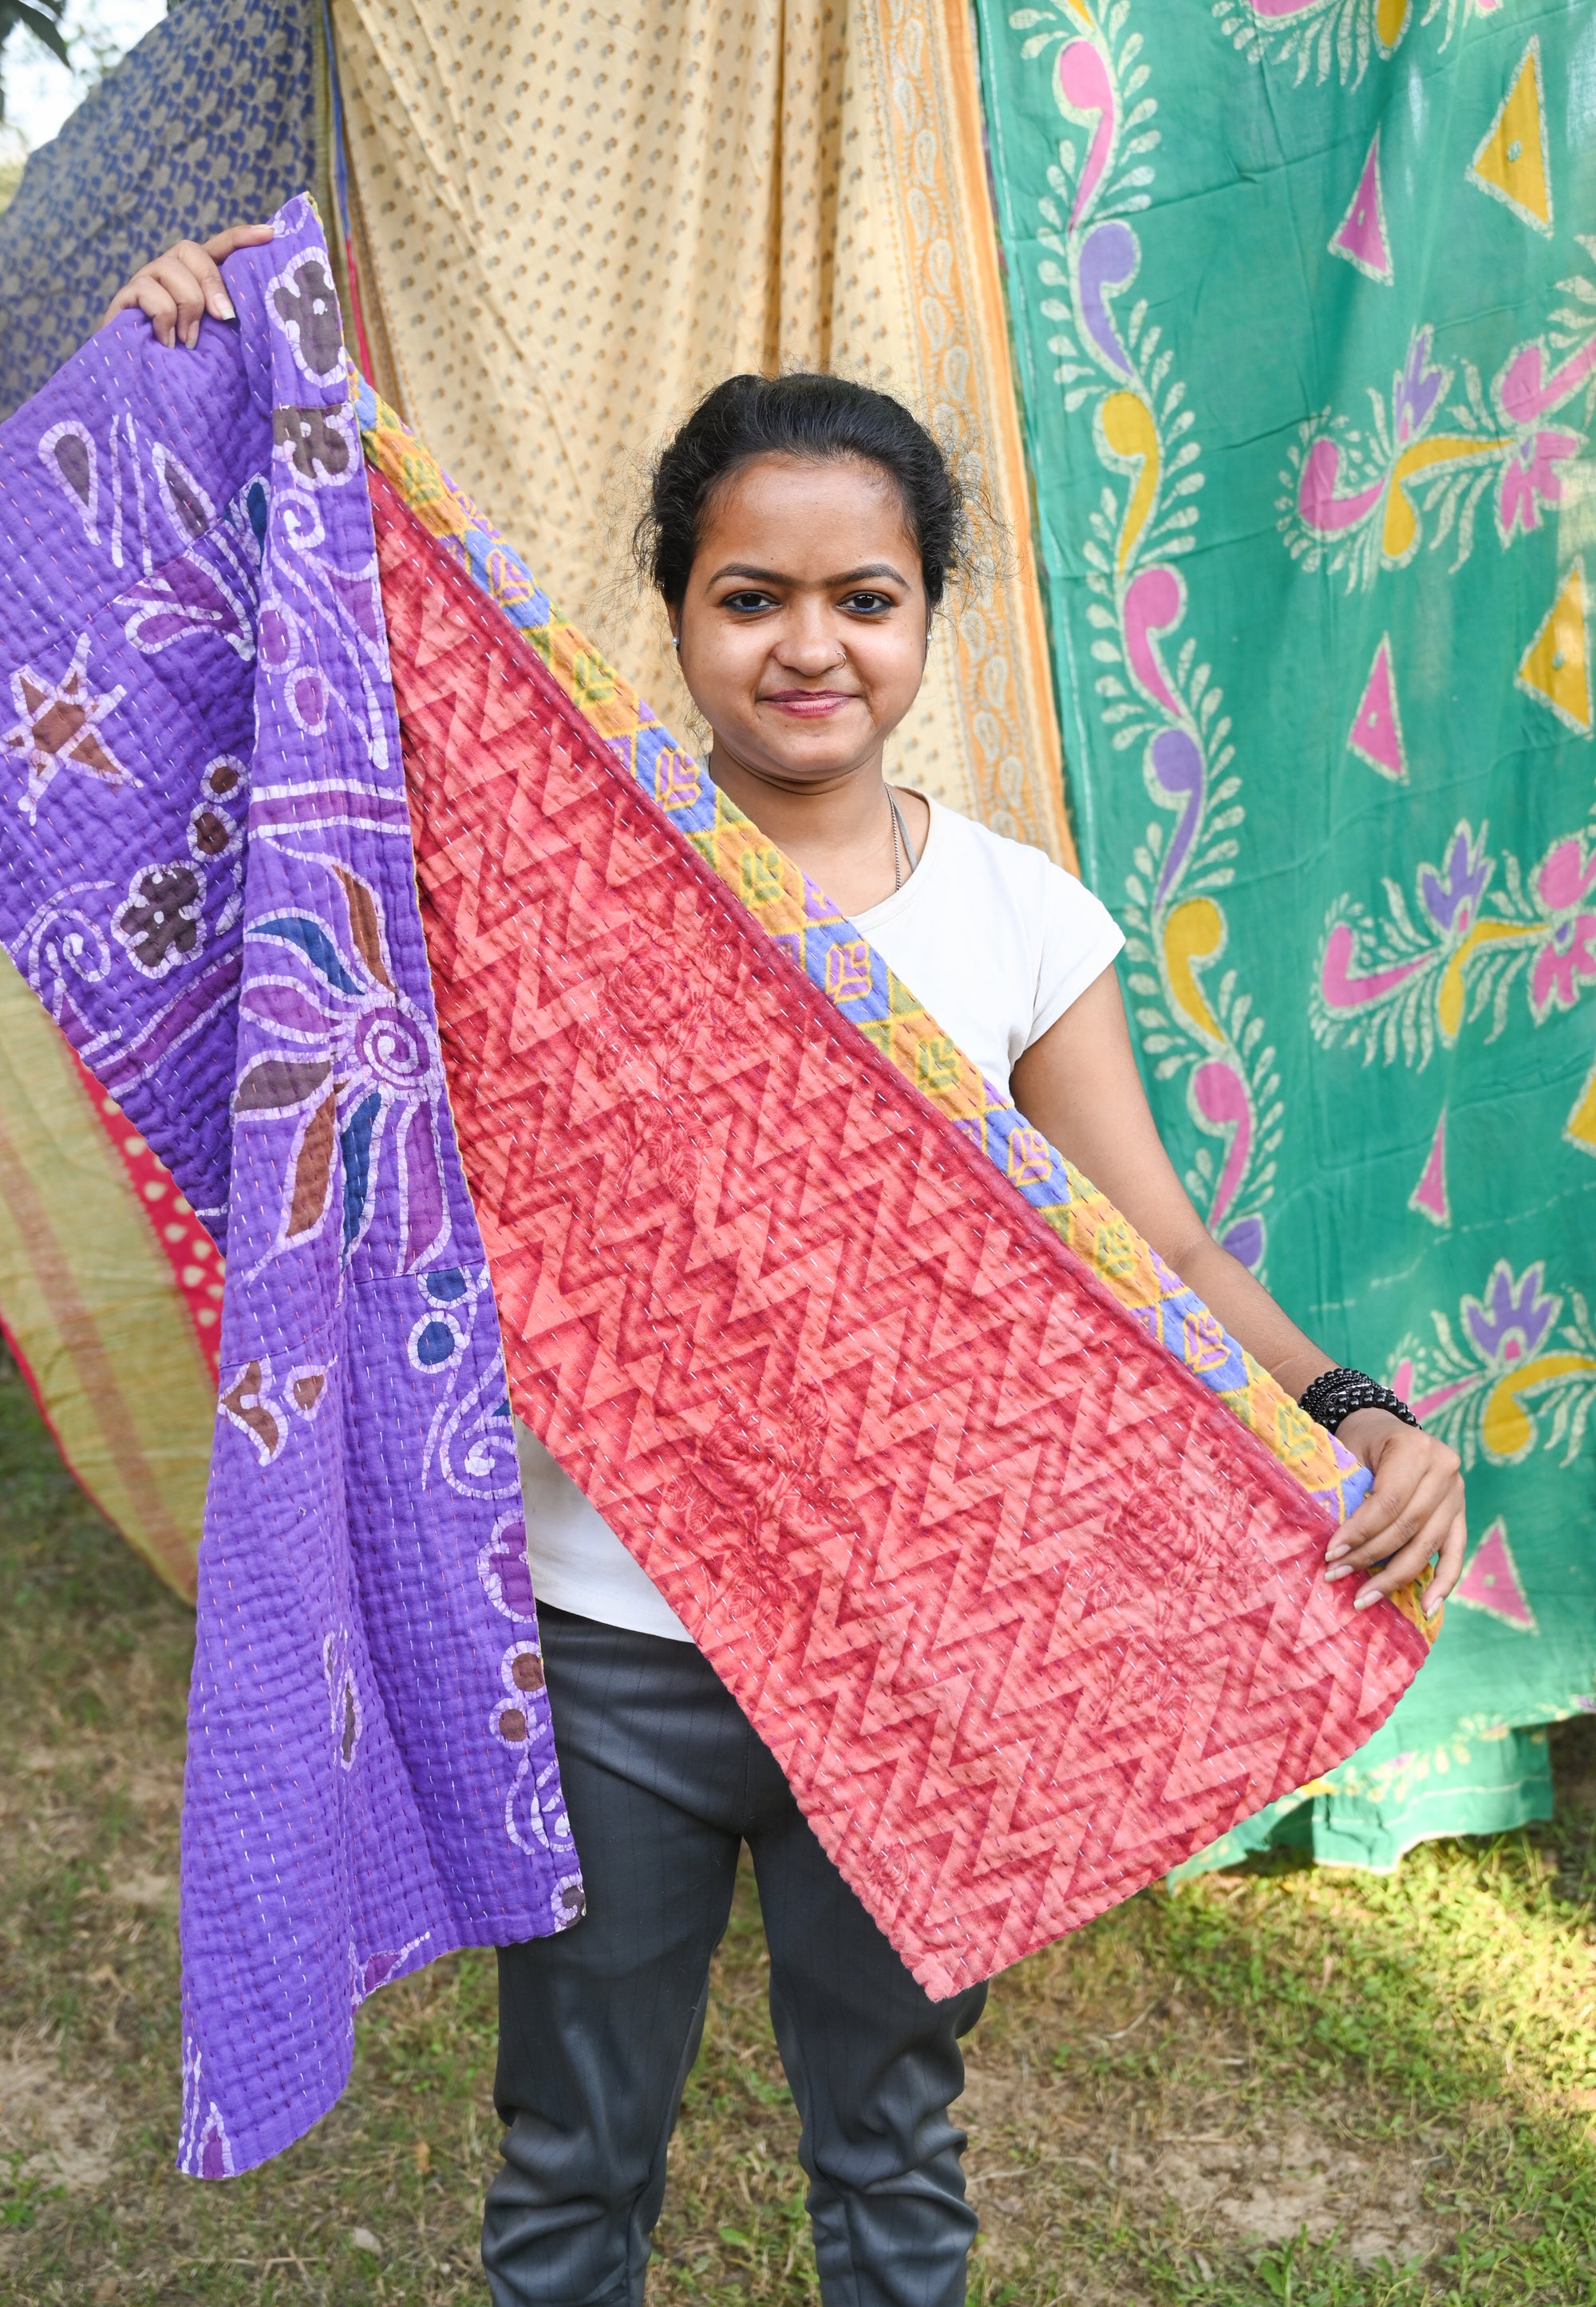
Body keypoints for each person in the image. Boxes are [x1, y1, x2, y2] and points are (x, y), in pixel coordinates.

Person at [109, 234, 1468, 2307]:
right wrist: (207, 363)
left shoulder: (1017, 917)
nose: (809, 645)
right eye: (751, 597)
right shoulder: (555, 888)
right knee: (572, 2157)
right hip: (608, 1646)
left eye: (865, 599)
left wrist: (1352, 1410)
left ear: (928, 617)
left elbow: (1166, 1242)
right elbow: (270, 781)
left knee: (892, 2147)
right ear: (674, 612)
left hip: (920, 1631)